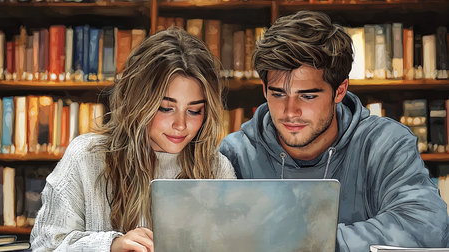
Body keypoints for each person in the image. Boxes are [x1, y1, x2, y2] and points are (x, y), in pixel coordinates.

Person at [220, 10, 449, 251]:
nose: (290, 112)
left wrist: (305, 242)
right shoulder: (236, 153)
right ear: (264, 90)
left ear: (339, 91)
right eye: (278, 94)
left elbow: (427, 226)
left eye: (307, 96)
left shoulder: (386, 144)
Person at [30, 27, 236, 251]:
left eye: (194, 111)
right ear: (138, 102)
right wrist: (110, 246)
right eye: (166, 108)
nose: (181, 125)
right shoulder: (87, 156)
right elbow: (44, 245)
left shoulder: (217, 168)